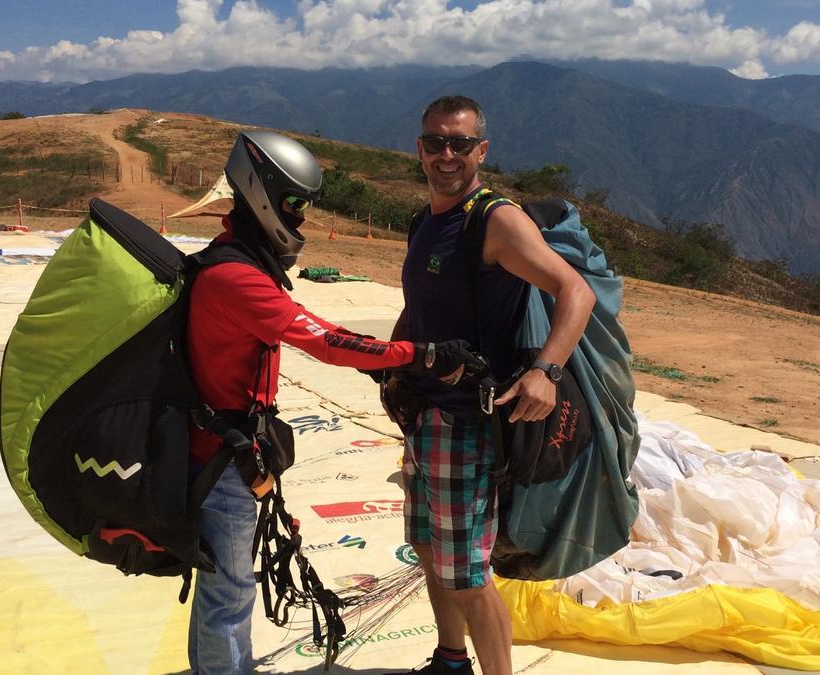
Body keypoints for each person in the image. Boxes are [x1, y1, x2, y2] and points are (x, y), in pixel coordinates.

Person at [185, 129, 486, 675]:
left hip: (226, 448)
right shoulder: (235, 277)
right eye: (294, 205)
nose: (299, 219)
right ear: (261, 195)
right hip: (218, 459)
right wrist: (421, 355)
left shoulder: (236, 260)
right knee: (228, 594)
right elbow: (325, 341)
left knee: (224, 586)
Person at [388, 96, 596, 675]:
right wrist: (396, 358)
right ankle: (451, 660)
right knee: (431, 553)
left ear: (482, 150)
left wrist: (546, 371)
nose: (446, 155)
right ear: (419, 149)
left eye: (460, 143)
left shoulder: (495, 219)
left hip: (467, 423)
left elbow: (575, 291)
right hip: (423, 414)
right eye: (435, 142)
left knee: (469, 575)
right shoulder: (424, 220)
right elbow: (425, 307)